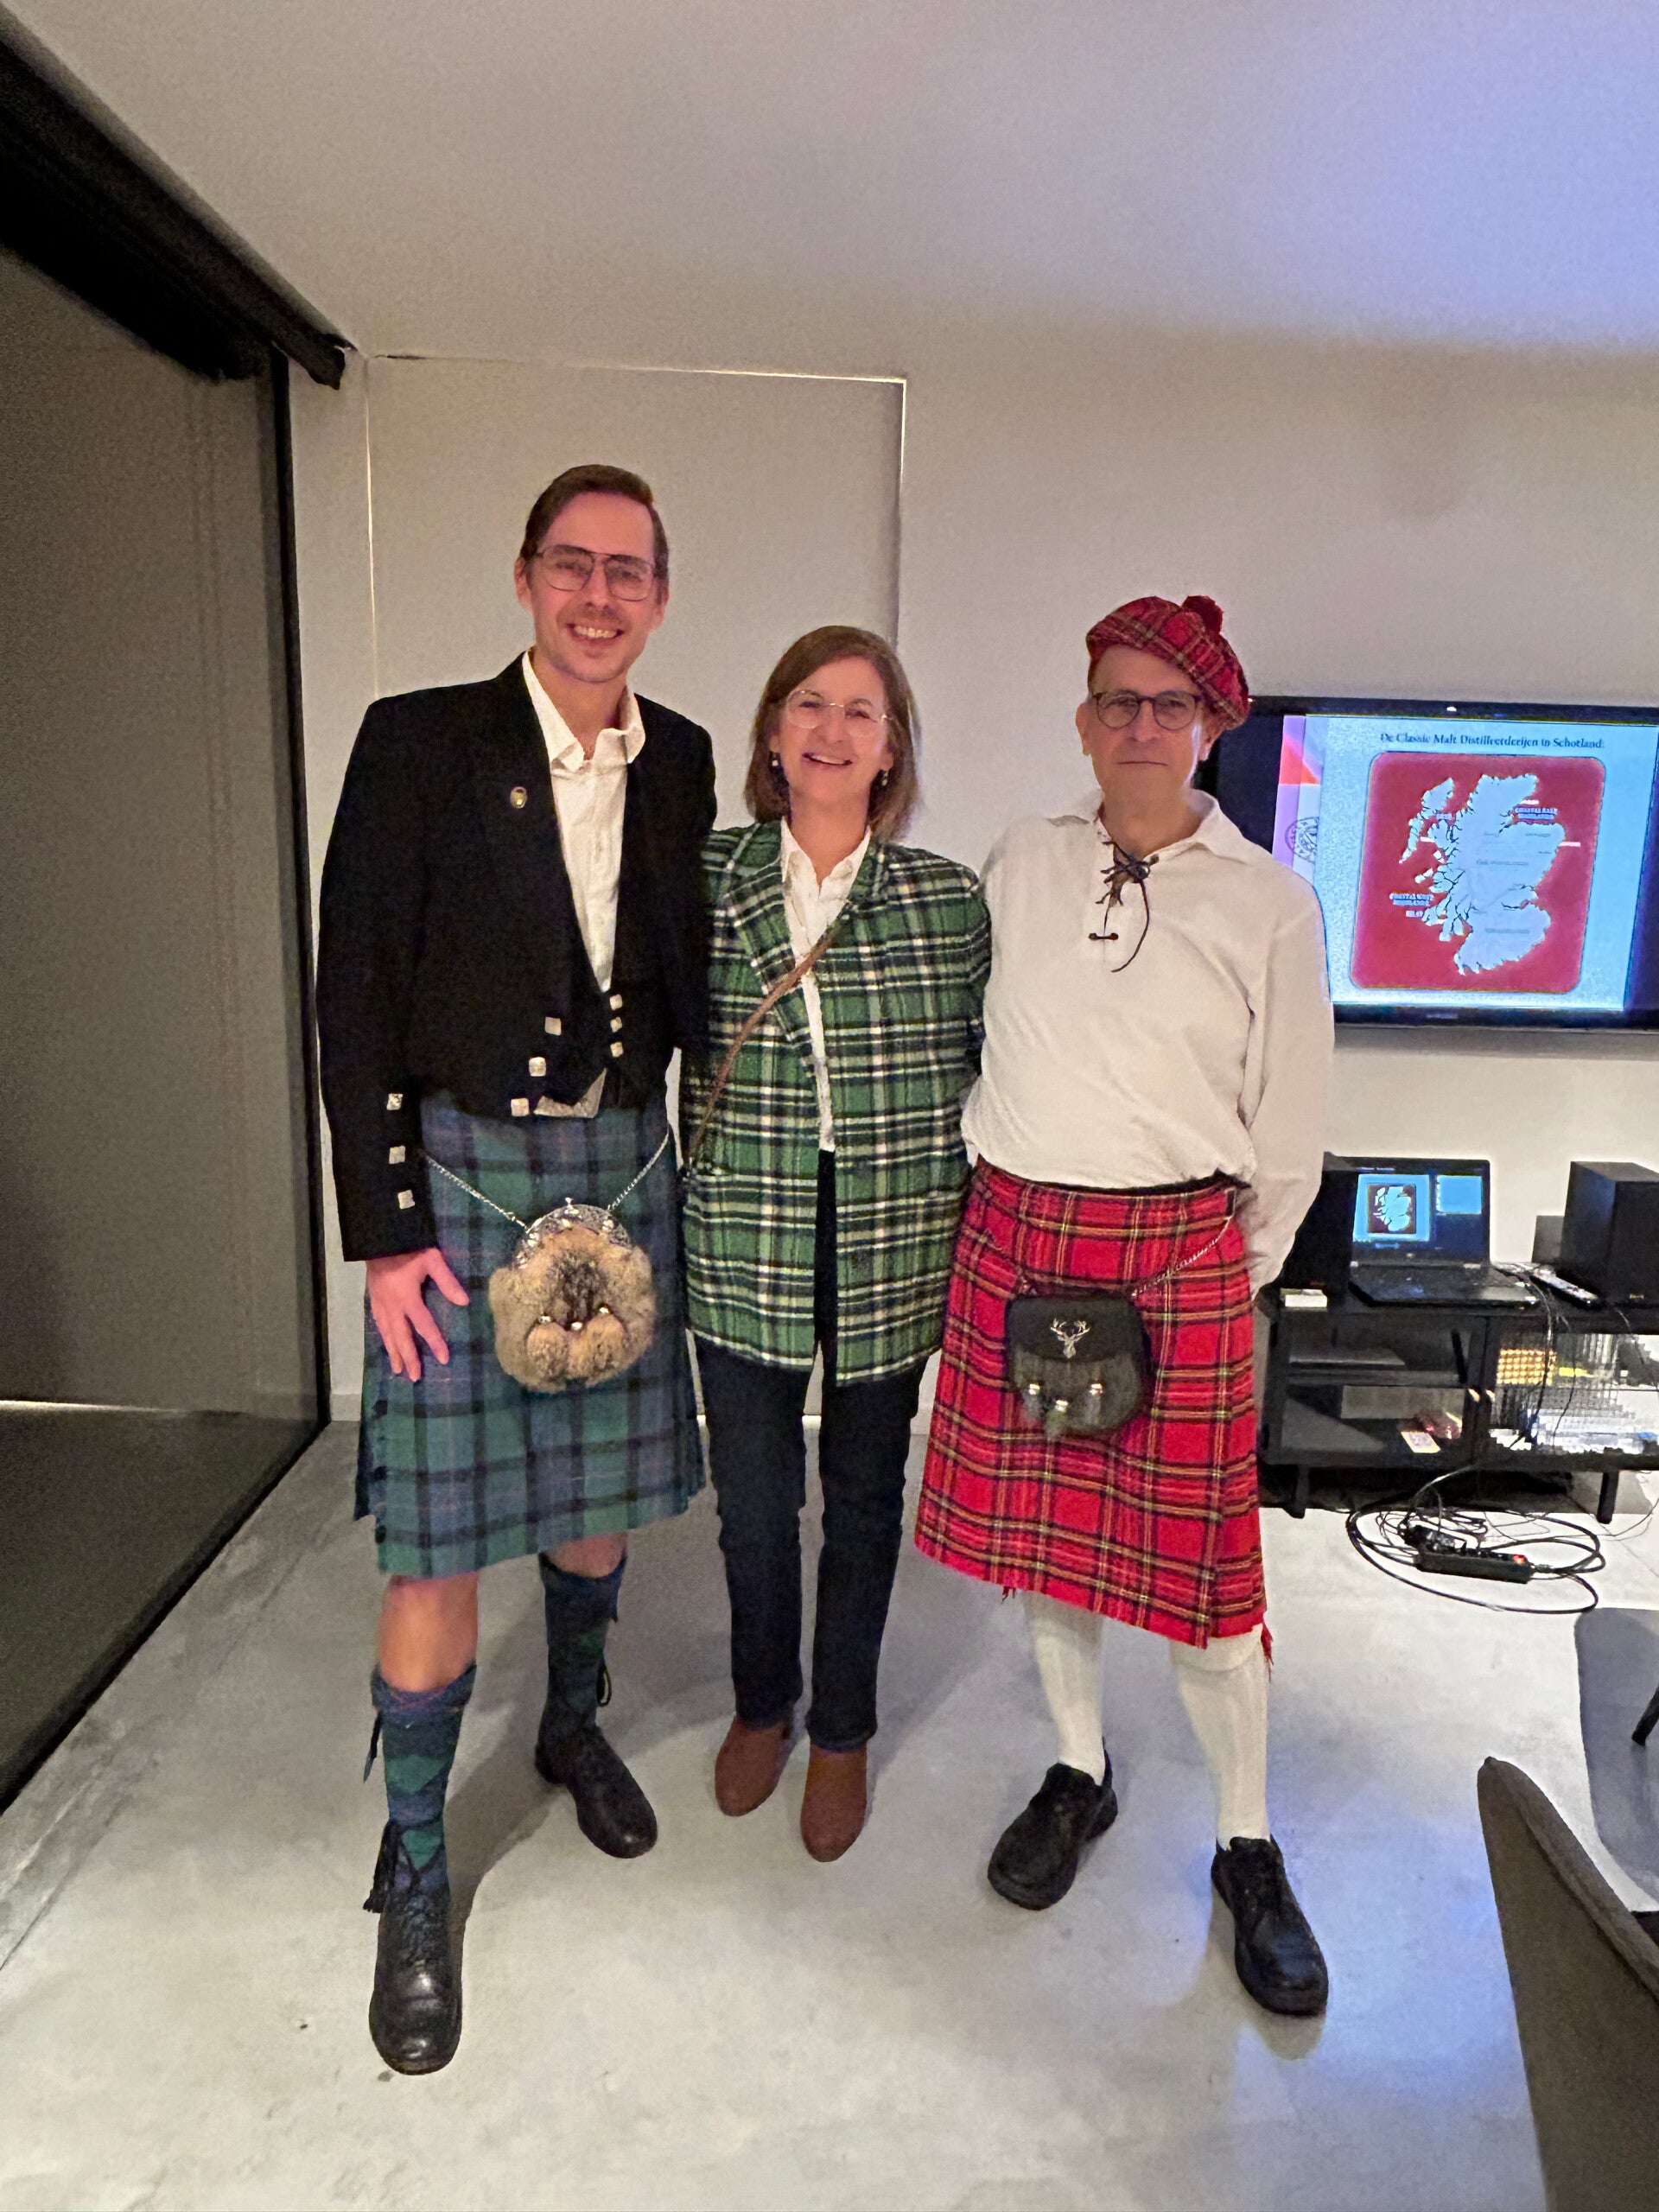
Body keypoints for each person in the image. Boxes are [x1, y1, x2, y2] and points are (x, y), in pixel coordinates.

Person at [316, 463, 714, 2072]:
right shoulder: (421, 740)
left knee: (597, 1506)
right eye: (572, 563)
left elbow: (686, 973)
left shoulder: (684, 757)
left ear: (660, 595)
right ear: (527, 575)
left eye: (627, 570)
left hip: (620, 1170)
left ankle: (568, 1722)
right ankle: (416, 1860)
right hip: (464, 1178)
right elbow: (354, 988)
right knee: (436, 1548)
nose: (597, 594)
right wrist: (385, 1230)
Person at [914, 594, 1333, 2015]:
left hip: (1181, 1254)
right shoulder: (1021, 861)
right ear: (1085, 720)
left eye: (1170, 703)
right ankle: (1078, 1771)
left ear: (1210, 725)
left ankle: (1246, 1842)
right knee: (1052, 1557)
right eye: (1117, 700)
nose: (1141, 725)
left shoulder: (1270, 901)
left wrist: (1226, 1274)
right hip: (1021, 1236)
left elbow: (1290, 1131)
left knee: (1209, 1589)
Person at [681, 626, 989, 1861]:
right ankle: (765, 1705)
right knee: (754, 1506)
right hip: (740, 1227)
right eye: (809, 703)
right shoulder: (704, 877)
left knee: (863, 1500)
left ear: (892, 748)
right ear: (772, 732)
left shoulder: (945, 901)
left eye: (863, 711)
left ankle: (844, 1730)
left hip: (892, 1234)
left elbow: (1000, 1063)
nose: (833, 729)